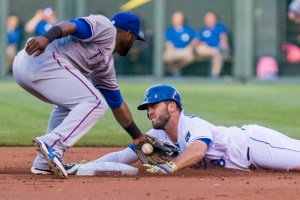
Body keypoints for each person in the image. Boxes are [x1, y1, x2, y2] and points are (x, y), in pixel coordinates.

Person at [13, 12, 147, 178]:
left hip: (31, 67)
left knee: (73, 105)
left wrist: (138, 137)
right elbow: (72, 25)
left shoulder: (105, 66)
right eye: (134, 39)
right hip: (41, 57)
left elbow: (117, 103)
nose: (133, 43)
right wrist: (47, 38)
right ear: (128, 34)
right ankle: (52, 144)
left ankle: (44, 163)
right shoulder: (106, 28)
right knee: (96, 103)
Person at [88, 84, 300, 174]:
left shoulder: (193, 125)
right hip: (247, 165)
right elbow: (122, 156)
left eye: (154, 106)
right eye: (147, 108)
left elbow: (198, 150)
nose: (149, 112)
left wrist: (171, 165)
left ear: (172, 106)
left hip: (253, 145)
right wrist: (85, 166)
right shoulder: (156, 136)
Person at [194, 11, 230, 78]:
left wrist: (222, 45)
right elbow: (196, 41)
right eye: (207, 18)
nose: (209, 19)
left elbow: (223, 39)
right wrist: (201, 43)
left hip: (219, 50)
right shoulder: (204, 29)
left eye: (211, 17)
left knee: (217, 54)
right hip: (207, 51)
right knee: (200, 48)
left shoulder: (220, 27)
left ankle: (214, 76)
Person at [163, 11, 195, 77]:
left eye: (178, 17)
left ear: (182, 19)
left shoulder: (188, 29)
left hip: (185, 50)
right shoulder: (170, 30)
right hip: (173, 50)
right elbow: (168, 43)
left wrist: (190, 47)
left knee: (191, 57)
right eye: (174, 18)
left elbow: (195, 40)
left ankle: (176, 69)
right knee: (166, 57)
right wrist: (173, 51)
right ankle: (175, 71)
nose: (175, 19)